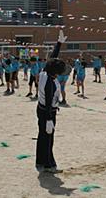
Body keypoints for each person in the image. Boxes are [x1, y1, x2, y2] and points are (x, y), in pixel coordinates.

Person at [36, 30, 67, 173]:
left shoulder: (45, 72)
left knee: (42, 136)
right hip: (47, 111)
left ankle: (40, 161)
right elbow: (49, 102)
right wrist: (49, 119)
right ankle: (49, 165)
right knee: (48, 138)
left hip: (41, 109)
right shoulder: (50, 83)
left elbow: (52, 58)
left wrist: (59, 44)